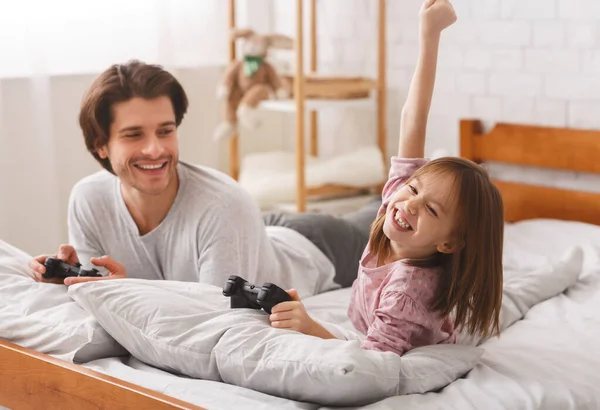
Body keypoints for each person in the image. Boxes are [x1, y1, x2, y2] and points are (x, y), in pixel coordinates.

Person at [266, 0, 505, 356]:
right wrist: (430, 35)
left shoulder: (406, 292)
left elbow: (373, 361)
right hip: (377, 323)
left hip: (404, 338)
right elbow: (413, 119)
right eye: (412, 188)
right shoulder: (403, 204)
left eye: (433, 211)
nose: (409, 204)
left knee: (518, 297)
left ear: (450, 244)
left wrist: (308, 325)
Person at [27, 59, 340, 299]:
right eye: (134, 135)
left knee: (381, 215)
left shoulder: (224, 206)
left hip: (318, 244)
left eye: (166, 130)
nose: (155, 149)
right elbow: (97, 294)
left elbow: (209, 318)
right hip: (252, 231)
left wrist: (130, 291)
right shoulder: (88, 199)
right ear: (101, 146)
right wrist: (67, 278)